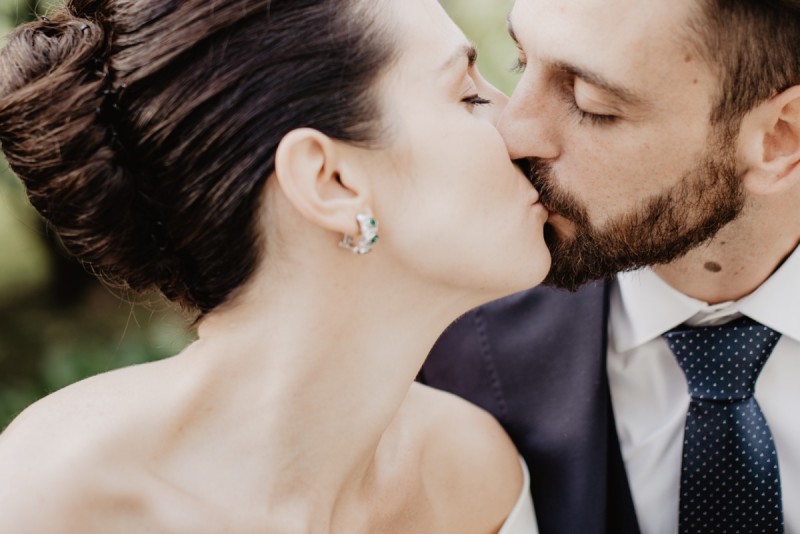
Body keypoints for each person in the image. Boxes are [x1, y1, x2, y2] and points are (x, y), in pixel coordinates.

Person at [0, 0, 549, 531]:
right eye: (468, 95)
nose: (522, 128)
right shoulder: (50, 503)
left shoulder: (474, 478)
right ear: (330, 182)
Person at [422, 0, 800, 532]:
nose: (511, 132)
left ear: (782, 137)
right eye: (521, 61)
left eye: (590, 103)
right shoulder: (442, 349)